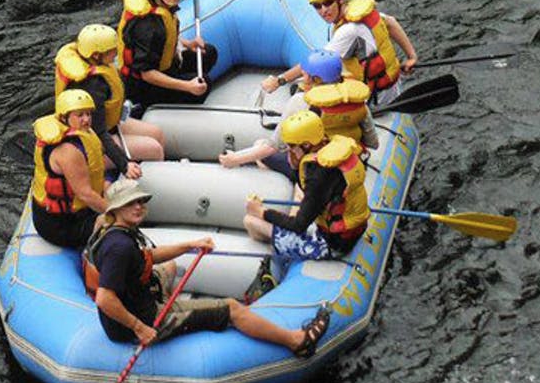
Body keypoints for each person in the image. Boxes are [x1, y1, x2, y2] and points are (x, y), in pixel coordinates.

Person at [88, 178, 331, 358]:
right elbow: (104, 298)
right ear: (116, 207)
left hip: (138, 299)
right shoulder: (118, 247)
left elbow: (146, 257)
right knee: (233, 308)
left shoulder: (114, 228)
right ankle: (296, 341)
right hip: (145, 320)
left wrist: (188, 245)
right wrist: (139, 328)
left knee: (170, 267)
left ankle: (165, 302)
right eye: (131, 203)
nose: (139, 207)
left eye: (141, 201)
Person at [218, 50, 378, 181]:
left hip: (314, 169)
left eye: (306, 73)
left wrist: (235, 159)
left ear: (315, 79)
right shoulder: (357, 100)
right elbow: (373, 142)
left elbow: (271, 147)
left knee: (260, 145)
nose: (303, 75)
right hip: (349, 165)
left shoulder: (299, 102)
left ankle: (288, 182)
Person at [261, 0, 418, 106]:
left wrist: (279, 80)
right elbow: (391, 22)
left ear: (340, 1)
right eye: (317, 6)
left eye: (328, 2)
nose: (323, 10)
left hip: (376, 96)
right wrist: (411, 56)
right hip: (391, 81)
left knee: (305, 97)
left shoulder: (348, 31)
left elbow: (314, 64)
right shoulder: (361, 12)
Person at [243, 110, 370, 264]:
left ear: (306, 145)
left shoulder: (319, 176)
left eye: (291, 146)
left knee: (250, 221)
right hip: (348, 231)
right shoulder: (330, 147)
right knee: (299, 194)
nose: (289, 151)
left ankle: (276, 265)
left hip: (333, 245)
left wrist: (262, 212)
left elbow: (298, 225)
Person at [55, 23, 165, 180]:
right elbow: (98, 133)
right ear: (96, 55)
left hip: (107, 125)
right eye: (111, 51)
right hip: (89, 141)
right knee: (154, 149)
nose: (116, 53)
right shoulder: (92, 86)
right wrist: (124, 164)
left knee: (157, 134)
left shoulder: (96, 64)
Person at [117, 0, 218, 114]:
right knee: (204, 84)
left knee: (209, 52)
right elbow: (147, 73)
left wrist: (188, 44)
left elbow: (167, 40)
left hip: (166, 65)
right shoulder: (148, 27)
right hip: (143, 86)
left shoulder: (162, 6)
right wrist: (187, 86)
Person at [30, 89, 109, 249]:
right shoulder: (67, 151)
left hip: (78, 212)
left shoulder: (82, 133)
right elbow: (85, 194)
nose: (86, 119)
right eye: (80, 115)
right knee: (119, 227)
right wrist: (116, 212)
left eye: (88, 114)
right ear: (65, 117)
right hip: (62, 224)